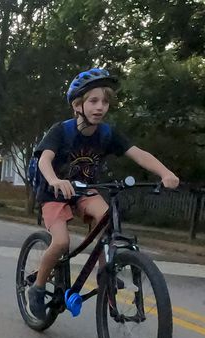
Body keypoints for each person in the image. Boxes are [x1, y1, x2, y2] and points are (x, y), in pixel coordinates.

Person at [27, 68, 180, 320]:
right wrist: (55, 179)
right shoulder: (61, 131)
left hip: (85, 190)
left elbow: (139, 153)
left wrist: (166, 173)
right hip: (55, 192)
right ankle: (38, 286)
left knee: (106, 216)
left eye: (105, 101)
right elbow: (45, 160)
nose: (100, 107)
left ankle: (104, 272)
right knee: (62, 242)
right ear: (78, 105)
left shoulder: (107, 134)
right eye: (93, 101)